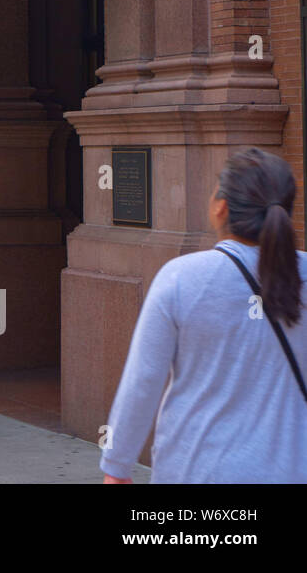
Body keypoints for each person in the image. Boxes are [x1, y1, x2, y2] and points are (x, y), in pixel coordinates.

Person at [101, 147, 307, 483]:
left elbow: (143, 380)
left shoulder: (182, 277)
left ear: (220, 207)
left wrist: (117, 465)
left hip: (197, 468)